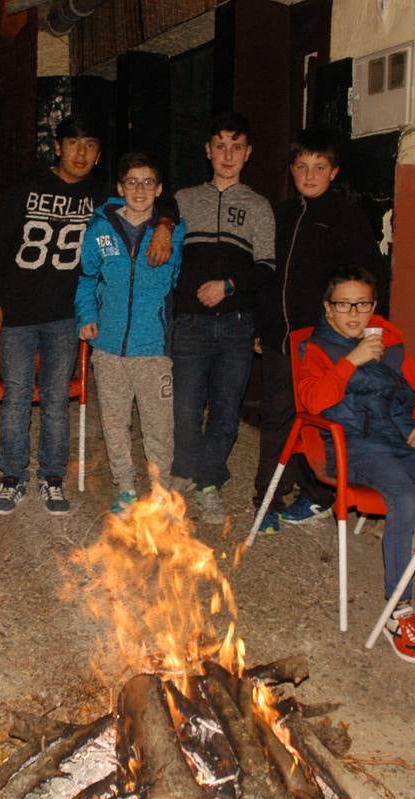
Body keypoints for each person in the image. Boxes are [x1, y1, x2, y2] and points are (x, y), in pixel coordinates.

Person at [0, 115, 174, 516]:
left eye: (90, 146)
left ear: (99, 155)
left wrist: (166, 226)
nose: (81, 153)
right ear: (57, 147)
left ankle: (52, 478)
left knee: (56, 399)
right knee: (17, 396)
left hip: (64, 316)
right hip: (18, 311)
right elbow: (1, 243)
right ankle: (12, 477)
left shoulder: (102, 196)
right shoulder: (27, 185)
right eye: (73, 143)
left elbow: (156, 199)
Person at [294, 265, 415, 664]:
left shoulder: (390, 345)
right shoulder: (317, 349)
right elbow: (313, 401)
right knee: (404, 498)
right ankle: (398, 610)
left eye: (362, 304)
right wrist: (352, 360)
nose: (354, 313)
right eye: (344, 304)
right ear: (328, 308)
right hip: (354, 446)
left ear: (373, 305)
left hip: (401, 438)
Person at [253, 126, 386, 534]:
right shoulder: (279, 215)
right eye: (301, 167)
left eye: (319, 167)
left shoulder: (348, 218)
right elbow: (267, 277)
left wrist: (361, 331)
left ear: (334, 172)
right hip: (280, 340)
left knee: (322, 418)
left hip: (324, 344)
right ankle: (268, 499)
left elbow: (369, 278)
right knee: (277, 417)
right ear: (291, 169)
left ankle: (318, 495)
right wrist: (264, 326)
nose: (309, 176)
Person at [171, 112, 275, 524]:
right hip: (190, 323)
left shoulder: (258, 206)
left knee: (226, 409)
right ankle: (184, 471)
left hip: (236, 324)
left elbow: (267, 266)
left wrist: (228, 286)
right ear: (208, 151)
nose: (227, 155)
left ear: (248, 154)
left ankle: (208, 482)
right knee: (185, 407)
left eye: (236, 147)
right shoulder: (183, 200)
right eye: (220, 146)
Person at [74, 152, 186, 514]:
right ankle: (125, 486)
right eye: (132, 182)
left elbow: (175, 278)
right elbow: (87, 278)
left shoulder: (173, 231)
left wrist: (165, 228)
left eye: (148, 182)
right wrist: (87, 315)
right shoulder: (100, 228)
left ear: (159, 189)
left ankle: (160, 489)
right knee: (114, 423)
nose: (140, 189)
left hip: (153, 348)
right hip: (108, 347)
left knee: (159, 426)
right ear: (120, 188)